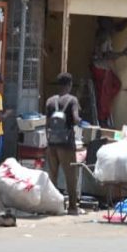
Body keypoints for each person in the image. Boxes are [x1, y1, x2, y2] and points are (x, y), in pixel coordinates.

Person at [45, 73, 82, 215]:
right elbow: (75, 118)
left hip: (52, 143)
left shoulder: (50, 101)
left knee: (52, 176)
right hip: (66, 145)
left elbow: (46, 123)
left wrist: (48, 141)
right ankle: (72, 207)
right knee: (70, 176)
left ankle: (53, 206)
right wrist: (80, 121)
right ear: (70, 84)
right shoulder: (72, 100)